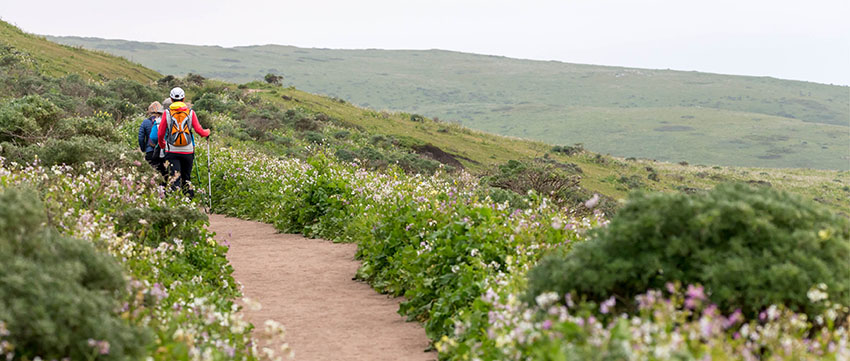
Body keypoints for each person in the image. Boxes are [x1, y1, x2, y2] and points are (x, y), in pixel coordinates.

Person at [157, 87, 210, 197]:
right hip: (188, 151)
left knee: (174, 177)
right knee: (186, 178)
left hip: (171, 151)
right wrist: (207, 132)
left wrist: (163, 145)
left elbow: (161, 133)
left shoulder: (167, 113)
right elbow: (199, 131)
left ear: (171, 99)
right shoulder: (191, 113)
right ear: (184, 98)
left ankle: (175, 204)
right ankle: (189, 202)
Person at [138, 102, 166, 175]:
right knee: (164, 174)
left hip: (150, 151)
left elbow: (140, 137)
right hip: (163, 151)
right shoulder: (165, 121)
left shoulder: (145, 122)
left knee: (151, 174)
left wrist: (143, 148)